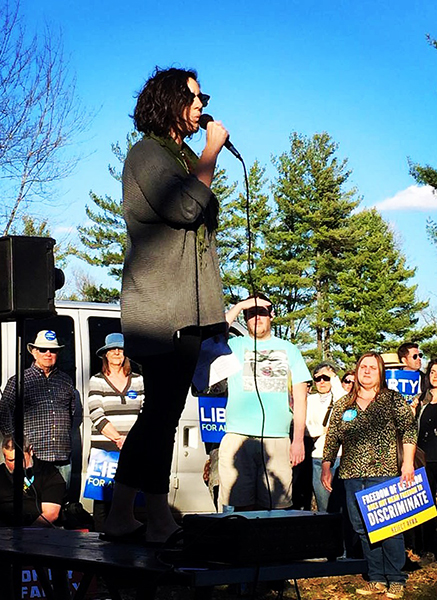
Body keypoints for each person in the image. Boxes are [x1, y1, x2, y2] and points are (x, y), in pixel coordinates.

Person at [102, 67, 228, 545]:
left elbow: (198, 208)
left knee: (167, 413)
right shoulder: (147, 153)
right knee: (160, 414)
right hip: (161, 310)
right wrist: (211, 154)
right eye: (193, 97)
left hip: (187, 306)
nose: (201, 106)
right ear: (169, 102)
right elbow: (186, 207)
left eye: (202, 96)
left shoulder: (178, 154)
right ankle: (119, 513)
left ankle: (154, 515)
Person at [322, 352, 417, 599]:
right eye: (363, 366)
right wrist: (326, 465)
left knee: (388, 527)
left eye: (372, 368)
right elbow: (333, 436)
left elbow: (409, 429)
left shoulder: (392, 400)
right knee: (362, 527)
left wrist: (408, 463)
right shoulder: (344, 404)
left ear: (380, 372)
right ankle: (377, 578)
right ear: (356, 370)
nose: (366, 371)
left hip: (384, 473)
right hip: (352, 474)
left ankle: (396, 578)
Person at [218, 294, 311, 511]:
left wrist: (297, 440)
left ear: (271, 315)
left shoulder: (290, 349)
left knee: (277, 509)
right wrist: (239, 306)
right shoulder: (234, 345)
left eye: (261, 312)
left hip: (277, 440)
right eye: (251, 314)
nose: (256, 318)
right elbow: (214, 337)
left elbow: (300, 397)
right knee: (238, 509)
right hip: (238, 439)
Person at [0, 330, 75, 486]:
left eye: (53, 350)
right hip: (33, 457)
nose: (48, 353)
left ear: (58, 353)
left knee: (61, 500)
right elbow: (4, 411)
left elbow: (71, 412)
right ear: (34, 352)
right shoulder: (19, 380)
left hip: (62, 455)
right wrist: (13, 442)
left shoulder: (66, 380)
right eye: (43, 349)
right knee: (33, 502)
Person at [88, 333, 145, 531]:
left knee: (133, 498)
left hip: (133, 447)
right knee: (103, 499)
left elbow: (144, 412)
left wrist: (132, 440)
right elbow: (96, 414)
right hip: (104, 449)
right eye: (112, 349)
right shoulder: (97, 380)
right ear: (105, 354)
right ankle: (100, 542)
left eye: (120, 349)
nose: (116, 352)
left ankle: (127, 539)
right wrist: (118, 439)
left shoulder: (138, 380)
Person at [0, 436, 66, 527]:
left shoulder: (48, 473)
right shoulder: (1, 473)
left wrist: (26, 534)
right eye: (10, 460)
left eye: (19, 459)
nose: (16, 465)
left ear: (30, 451)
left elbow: (51, 514)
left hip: (36, 532)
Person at [306, 362, 345, 512]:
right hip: (318, 457)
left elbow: (342, 398)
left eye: (326, 378)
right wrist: (323, 430)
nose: (322, 382)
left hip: (341, 456)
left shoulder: (340, 397)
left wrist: (333, 376)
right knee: (324, 506)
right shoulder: (309, 400)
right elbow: (304, 428)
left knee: (341, 504)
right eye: (318, 378)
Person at [416, 358, 437, 562]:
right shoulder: (421, 401)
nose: (435, 375)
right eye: (432, 372)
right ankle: (428, 549)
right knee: (427, 506)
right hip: (425, 461)